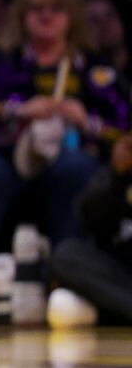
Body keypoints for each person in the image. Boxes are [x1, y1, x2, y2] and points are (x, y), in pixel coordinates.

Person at [0, 0, 129, 253]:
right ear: (22, 15)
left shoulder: (95, 66)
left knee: (78, 170)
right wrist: (14, 109)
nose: (46, 16)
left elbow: (123, 126)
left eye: (56, 9)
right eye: (37, 9)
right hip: (9, 154)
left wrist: (88, 122)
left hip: (71, 154)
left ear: (72, 16)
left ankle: (68, 263)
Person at [48, 134, 132, 327]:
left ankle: (109, 312)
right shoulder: (120, 167)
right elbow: (87, 218)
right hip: (121, 272)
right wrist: (116, 174)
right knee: (67, 255)